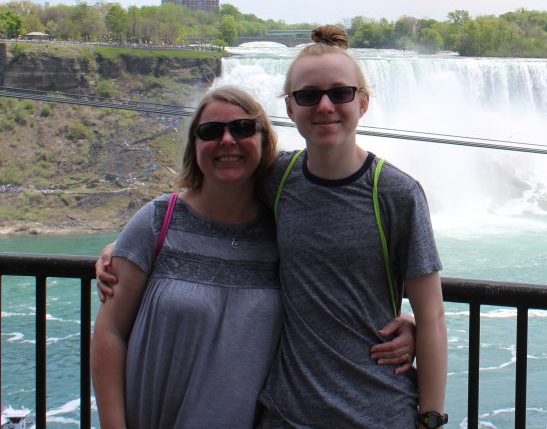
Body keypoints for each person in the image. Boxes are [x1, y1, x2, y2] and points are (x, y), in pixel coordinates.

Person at [92, 86, 415, 428]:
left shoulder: (283, 231)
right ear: (195, 146)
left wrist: (410, 323)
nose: (227, 140)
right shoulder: (158, 221)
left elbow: (332, 289)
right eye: (210, 132)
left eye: (243, 128)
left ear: (264, 143)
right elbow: (110, 332)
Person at [254, 24, 448, 427]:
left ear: (363, 102)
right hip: (287, 414)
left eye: (340, 93)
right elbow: (204, 206)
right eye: (308, 96)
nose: (325, 106)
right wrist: (133, 243)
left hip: (378, 413)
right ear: (290, 108)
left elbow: (430, 318)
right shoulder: (274, 179)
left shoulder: (396, 193)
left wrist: (430, 418)